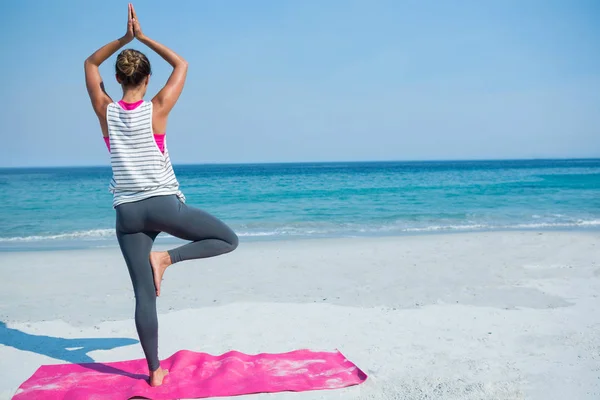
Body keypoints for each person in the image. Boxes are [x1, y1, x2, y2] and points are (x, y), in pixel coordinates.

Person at [84, 3, 238, 387]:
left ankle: (154, 373)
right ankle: (166, 259)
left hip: (128, 214)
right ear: (147, 77)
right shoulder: (158, 108)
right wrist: (143, 36)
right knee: (227, 239)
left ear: (117, 80)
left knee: (143, 296)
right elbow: (182, 65)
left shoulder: (106, 111)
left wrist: (124, 38)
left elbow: (89, 64)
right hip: (164, 205)